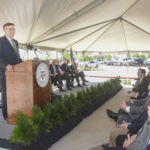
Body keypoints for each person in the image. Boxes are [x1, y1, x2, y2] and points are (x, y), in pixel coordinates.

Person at [0, 23, 23, 120]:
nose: (12, 31)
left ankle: (14, 111)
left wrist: (26, 63)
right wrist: (6, 65)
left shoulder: (16, 42)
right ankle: (6, 115)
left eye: (13, 29)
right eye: (10, 29)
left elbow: (17, 57)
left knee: (15, 92)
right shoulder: (1, 41)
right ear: (4, 30)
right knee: (6, 94)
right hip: (5, 72)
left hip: (16, 73)